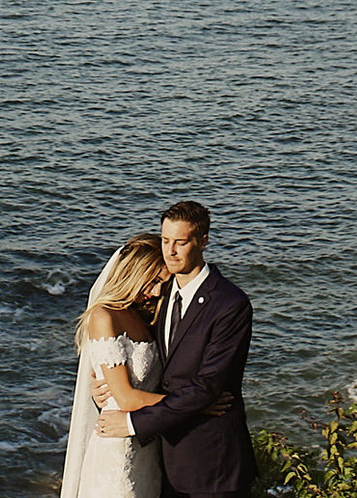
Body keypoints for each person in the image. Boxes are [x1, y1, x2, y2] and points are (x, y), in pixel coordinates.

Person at [96, 202, 256, 498]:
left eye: (180, 243)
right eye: (166, 241)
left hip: (211, 461)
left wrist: (131, 423)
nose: (169, 252)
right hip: (161, 457)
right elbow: (136, 356)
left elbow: (206, 388)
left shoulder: (230, 305)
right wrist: (107, 388)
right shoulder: (158, 292)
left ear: (203, 241)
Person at [58, 233, 171, 498]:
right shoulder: (103, 317)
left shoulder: (145, 316)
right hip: (117, 451)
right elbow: (126, 397)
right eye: (153, 281)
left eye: (162, 283)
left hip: (145, 445)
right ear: (133, 273)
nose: (156, 292)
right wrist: (195, 406)